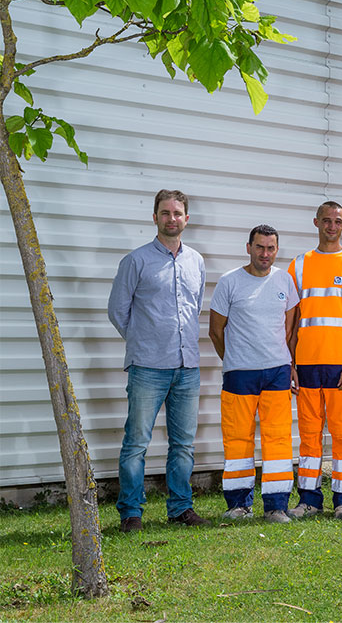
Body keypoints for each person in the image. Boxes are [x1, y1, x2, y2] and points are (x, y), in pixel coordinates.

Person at [108, 189, 209, 532]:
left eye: (177, 213)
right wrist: (143, 340)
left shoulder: (196, 261)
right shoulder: (135, 261)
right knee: (136, 442)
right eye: (165, 213)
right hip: (147, 367)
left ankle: (180, 508)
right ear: (155, 217)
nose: (171, 218)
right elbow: (117, 311)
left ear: (186, 219)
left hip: (187, 367)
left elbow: (194, 308)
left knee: (183, 444)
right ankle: (131, 513)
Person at [286, 202, 342, 521]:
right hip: (307, 364)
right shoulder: (298, 265)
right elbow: (293, 319)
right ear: (316, 222)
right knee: (309, 438)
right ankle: (309, 500)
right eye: (326, 220)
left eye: (337, 221)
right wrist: (291, 364)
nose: (331, 226)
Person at [208, 225, 298, 524]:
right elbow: (215, 330)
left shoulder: (285, 280)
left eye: (271, 248)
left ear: (276, 250)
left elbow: (289, 329)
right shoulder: (229, 282)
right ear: (248, 247)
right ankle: (239, 505)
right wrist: (234, 358)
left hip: (277, 371)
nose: (265, 254)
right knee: (237, 439)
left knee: (278, 439)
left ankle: (276, 506)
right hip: (239, 373)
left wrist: (288, 363)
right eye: (260, 247)